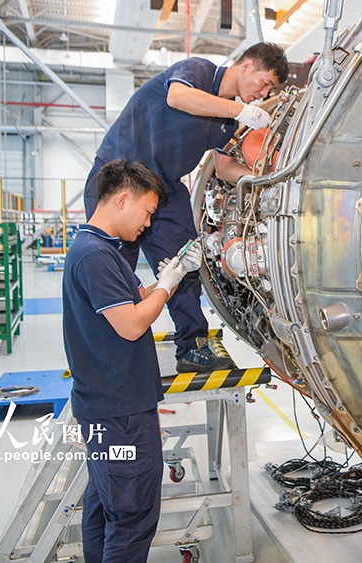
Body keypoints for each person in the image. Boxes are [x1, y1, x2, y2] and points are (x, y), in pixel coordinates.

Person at [84, 42, 289, 372]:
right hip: (119, 178)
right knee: (114, 268)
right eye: (264, 83)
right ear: (247, 66)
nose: (262, 93)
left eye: (271, 90)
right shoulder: (199, 71)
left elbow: (224, 169)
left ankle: (192, 346)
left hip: (162, 187)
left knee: (184, 262)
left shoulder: (226, 122)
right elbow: (177, 97)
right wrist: (238, 112)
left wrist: (270, 179)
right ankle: (111, 354)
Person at [63, 159, 203, 563]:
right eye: (147, 213)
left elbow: (137, 301)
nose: (147, 224)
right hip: (120, 414)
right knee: (132, 517)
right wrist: (170, 284)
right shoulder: (95, 255)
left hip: (110, 407)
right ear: (123, 199)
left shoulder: (103, 249)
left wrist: (167, 276)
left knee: (105, 508)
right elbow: (131, 324)